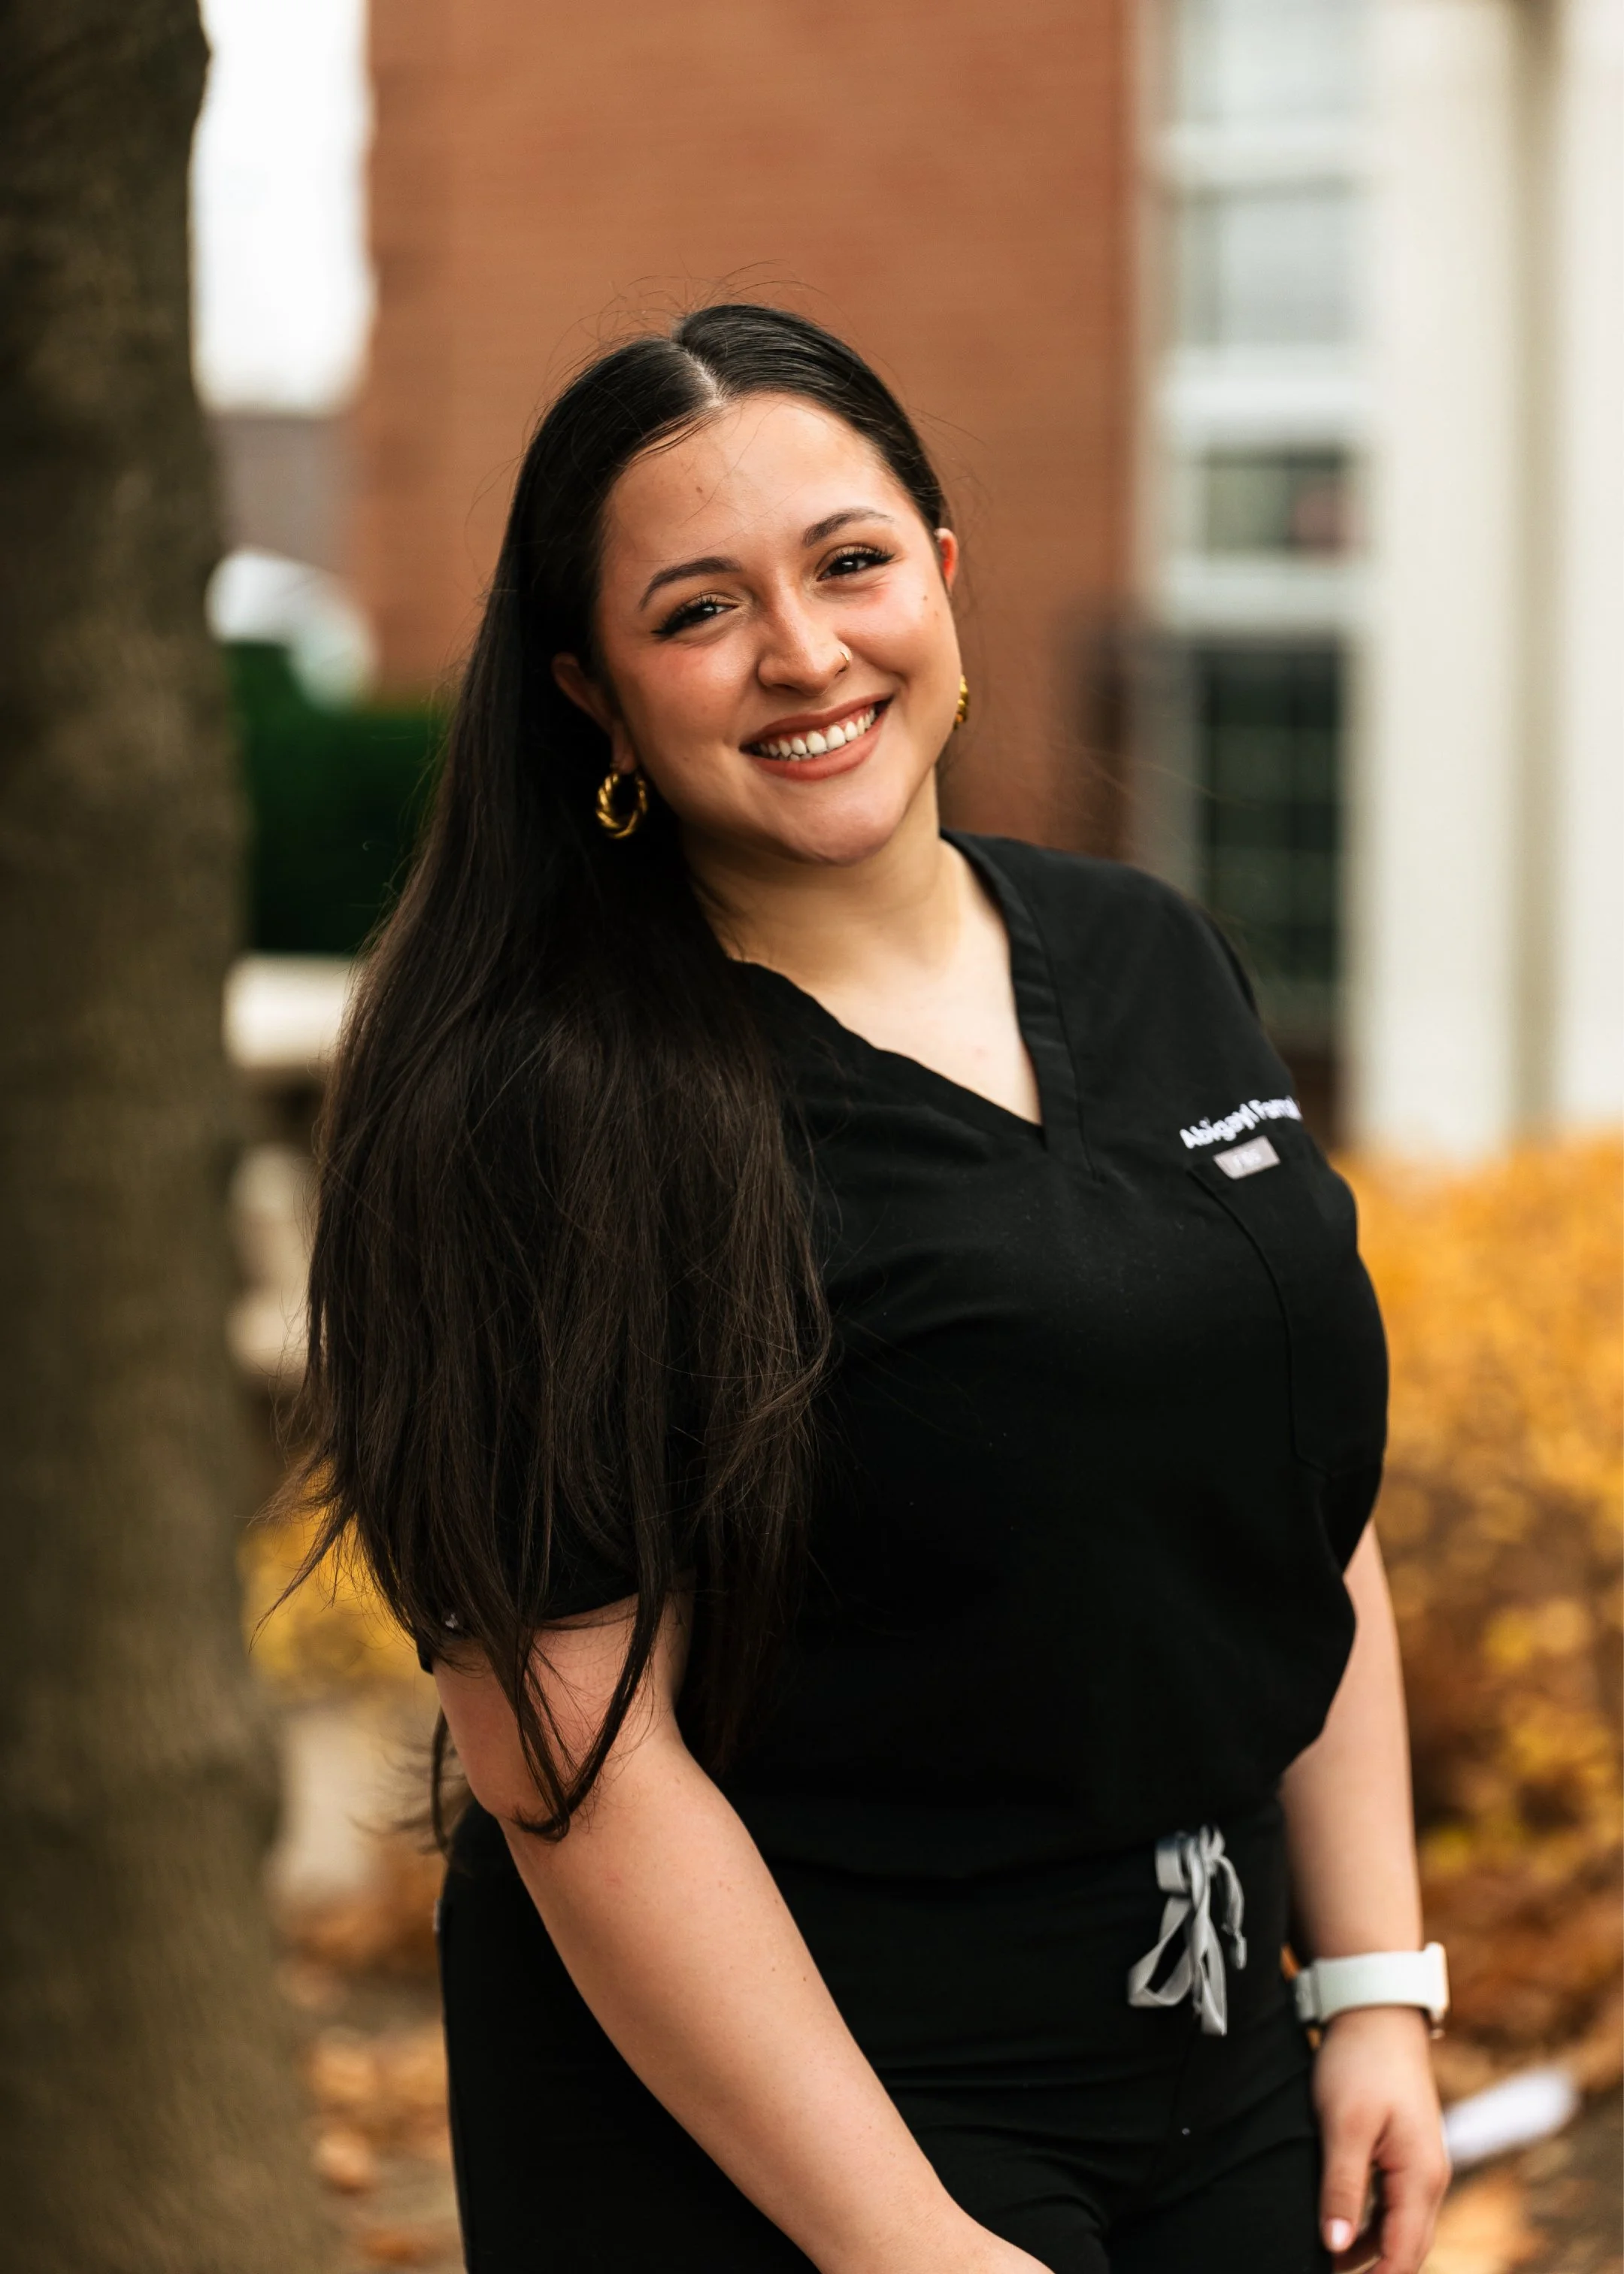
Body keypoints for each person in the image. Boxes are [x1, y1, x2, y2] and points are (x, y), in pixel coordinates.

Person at [295, 304, 1450, 2274]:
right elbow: (568, 1752)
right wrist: (896, 2238)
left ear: (943, 567)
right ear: (594, 690)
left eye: (850, 561)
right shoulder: (543, 1104)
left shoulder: (1150, 952)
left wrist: (1375, 1990)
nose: (806, 653)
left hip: (1209, 2054)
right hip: (779, 2116)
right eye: (699, 610)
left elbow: (1282, 1509)